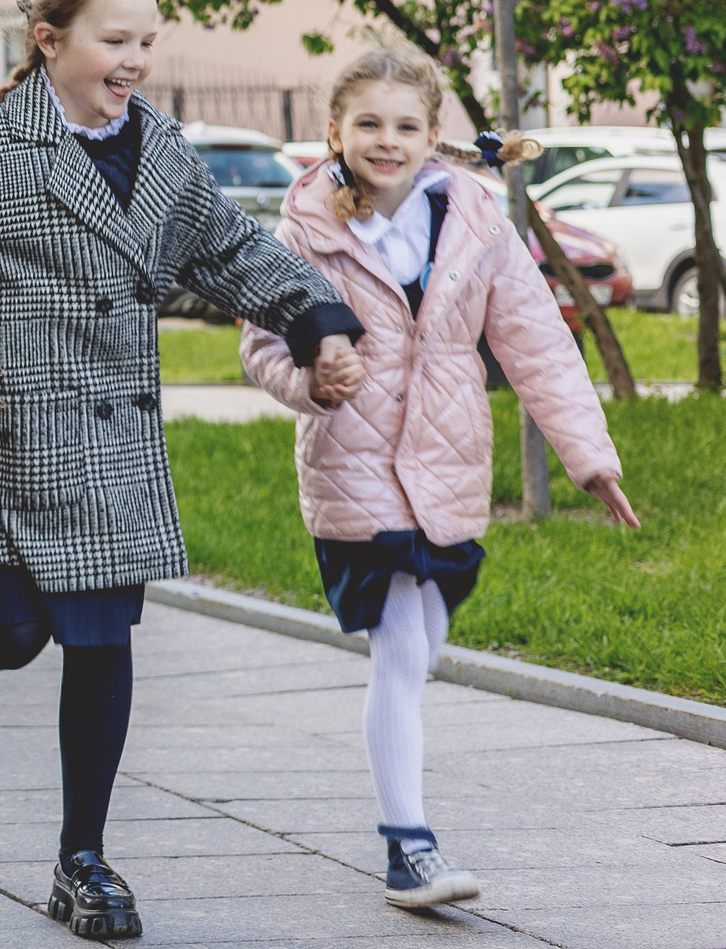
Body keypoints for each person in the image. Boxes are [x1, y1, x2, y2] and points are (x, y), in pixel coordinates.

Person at [0, 0, 369, 942]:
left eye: (145, 40)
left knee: (97, 638)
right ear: (48, 41)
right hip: (3, 436)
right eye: (110, 38)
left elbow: (224, 246)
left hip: (110, 438)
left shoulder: (160, 147)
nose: (132, 58)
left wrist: (317, 322)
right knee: (9, 634)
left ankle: (81, 856)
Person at [242, 47, 636, 911]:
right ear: (334, 132)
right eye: (369, 124)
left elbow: (536, 340)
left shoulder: (475, 220)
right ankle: (409, 847)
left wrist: (589, 457)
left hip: (449, 460)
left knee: (421, 642)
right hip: (354, 463)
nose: (388, 141)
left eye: (407, 125)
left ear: (434, 135)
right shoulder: (303, 232)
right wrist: (311, 378)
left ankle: (407, 833)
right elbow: (263, 344)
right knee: (400, 642)